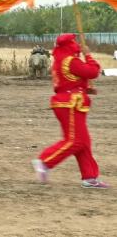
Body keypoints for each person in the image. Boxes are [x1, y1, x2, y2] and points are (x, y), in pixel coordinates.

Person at [32, 34, 108, 189]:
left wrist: (85, 88)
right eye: (74, 42)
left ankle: (90, 177)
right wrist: (88, 55)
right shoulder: (71, 60)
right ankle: (45, 161)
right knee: (76, 141)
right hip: (70, 104)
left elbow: (68, 82)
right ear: (69, 45)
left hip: (67, 103)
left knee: (83, 142)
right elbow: (93, 72)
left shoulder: (61, 61)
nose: (77, 45)